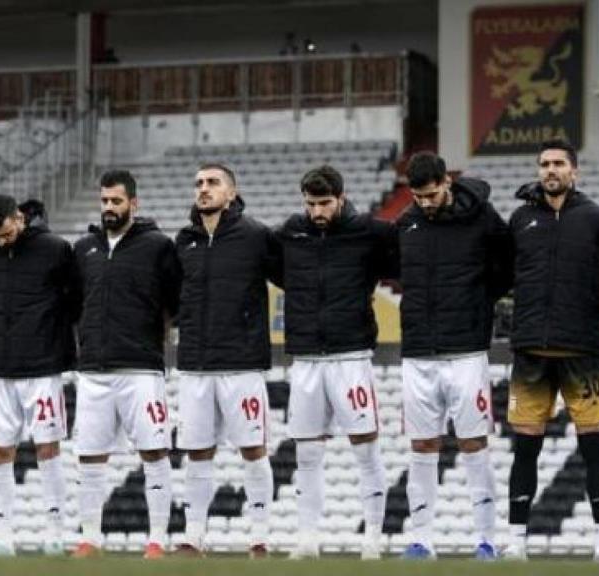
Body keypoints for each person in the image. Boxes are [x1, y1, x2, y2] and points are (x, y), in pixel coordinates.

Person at [274, 165, 397, 560]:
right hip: (307, 357)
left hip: (352, 356)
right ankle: (308, 538)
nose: (317, 212)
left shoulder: (368, 232)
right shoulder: (291, 233)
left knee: (365, 448)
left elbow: (407, 256)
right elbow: (274, 269)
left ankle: (373, 537)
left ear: (341, 198)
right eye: (310, 204)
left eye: (324, 203)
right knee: (307, 452)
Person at [395, 152, 513, 560]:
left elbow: (509, 263)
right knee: (422, 445)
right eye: (417, 196)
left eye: (430, 194)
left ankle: (486, 539)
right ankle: (422, 539)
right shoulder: (406, 223)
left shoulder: (480, 216)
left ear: (447, 181)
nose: (425, 202)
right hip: (418, 355)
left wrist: (480, 300)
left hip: (465, 351)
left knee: (474, 443)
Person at [504, 140, 599, 562]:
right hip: (531, 348)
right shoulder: (520, 219)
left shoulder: (598, 222)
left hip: (580, 349)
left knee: (592, 445)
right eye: (545, 164)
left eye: (559, 163)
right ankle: (517, 540)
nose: (551, 170)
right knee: (525, 447)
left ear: (575, 171)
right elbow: (500, 272)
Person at [70, 170, 181, 559]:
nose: (108, 208)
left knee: (154, 451)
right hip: (94, 370)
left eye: (116, 201)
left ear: (134, 203)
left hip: (141, 369)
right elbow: (74, 302)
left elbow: (175, 301)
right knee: (89, 455)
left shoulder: (158, 247)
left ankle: (156, 539)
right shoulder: (84, 248)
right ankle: (90, 538)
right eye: (104, 201)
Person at [174, 164, 277, 558]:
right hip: (196, 366)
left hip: (241, 364)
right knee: (197, 451)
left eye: (213, 182)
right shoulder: (184, 241)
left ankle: (259, 536)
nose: (203, 188)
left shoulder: (256, 236)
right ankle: (194, 536)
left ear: (231, 193)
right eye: (198, 182)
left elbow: (289, 276)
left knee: (253, 449)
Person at [0, 194, 77, 557]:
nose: (1, 242)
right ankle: (2, 537)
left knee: (48, 448)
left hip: (42, 368)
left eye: (5, 234)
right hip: (0, 370)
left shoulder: (55, 248)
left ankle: (55, 533)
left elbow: (74, 300)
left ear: (19, 218)